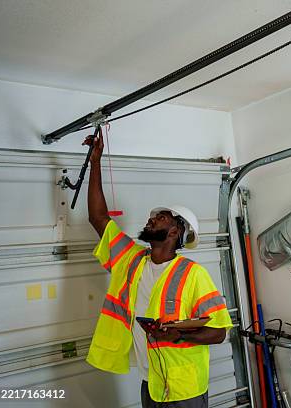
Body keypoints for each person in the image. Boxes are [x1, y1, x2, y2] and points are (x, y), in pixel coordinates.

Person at [83, 132, 232, 407]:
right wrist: (95, 162)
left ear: (175, 231)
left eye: (159, 218)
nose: (151, 220)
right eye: (152, 217)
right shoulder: (132, 260)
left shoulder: (193, 274)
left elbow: (220, 332)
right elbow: (98, 218)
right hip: (150, 383)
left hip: (185, 388)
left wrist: (180, 335)